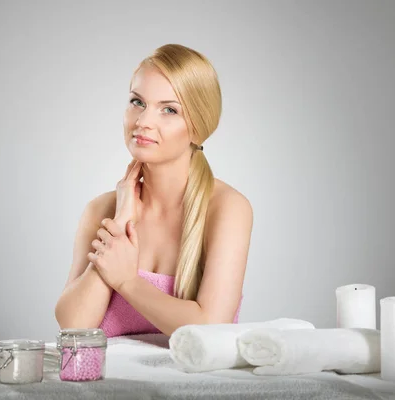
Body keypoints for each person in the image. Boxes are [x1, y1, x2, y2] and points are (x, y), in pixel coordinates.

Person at [54, 44, 253, 337]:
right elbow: (73, 325)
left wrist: (127, 283)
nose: (143, 122)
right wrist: (119, 224)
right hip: (109, 384)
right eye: (137, 102)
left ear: (199, 128)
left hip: (194, 385)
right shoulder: (101, 211)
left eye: (169, 109)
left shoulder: (227, 209)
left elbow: (211, 326)